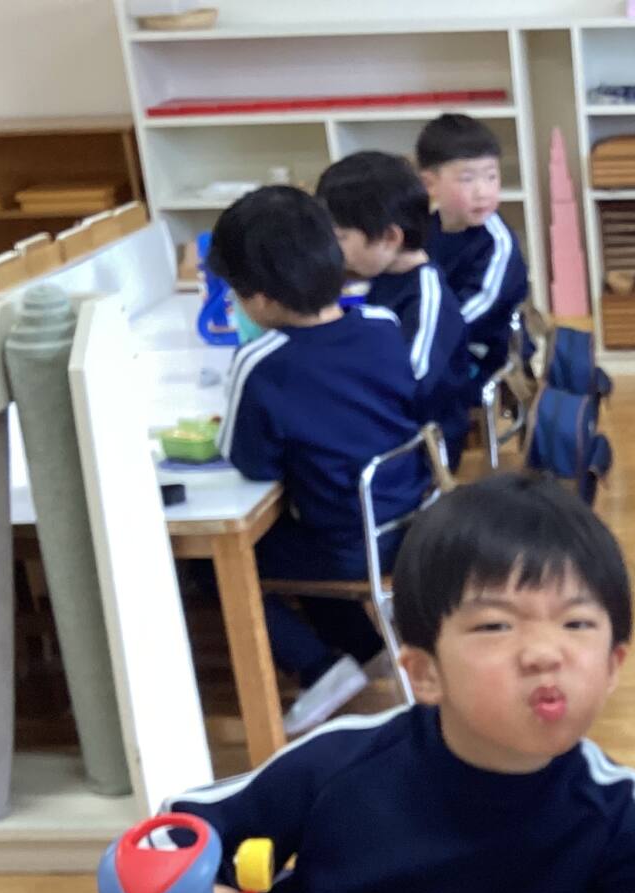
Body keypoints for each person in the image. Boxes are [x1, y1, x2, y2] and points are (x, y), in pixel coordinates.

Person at [169, 475, 635, 893]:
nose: (545, 653)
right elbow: (173, 835)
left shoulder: (609, 806)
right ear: (424, 673)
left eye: (576, 623)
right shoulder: (341, 761)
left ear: (614, 666)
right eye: (495, 625)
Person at [207, 185, 427, 736]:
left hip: (346, 544)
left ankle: (318, 668)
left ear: (258, 298)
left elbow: (252, 463)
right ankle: (366, 648)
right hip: (409, 521)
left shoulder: (261, 361)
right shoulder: (381, 324)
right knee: (310, 524)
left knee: (212, 562)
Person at [318, 150, 472, 465]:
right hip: (384, 426)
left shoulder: (428, 296)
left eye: (341, 238)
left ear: (390, 237)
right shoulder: (382, 276)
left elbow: (413, 380)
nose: (333, 250)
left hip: (420, 448)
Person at [417, 112, 529, 406]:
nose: (483, 192)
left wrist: (423, 331)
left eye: (491, 176)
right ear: (430, 183)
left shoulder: (497, 241)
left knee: (418, 386)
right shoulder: (425, 228)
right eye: (467, 179)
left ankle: (444, 437)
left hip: (486, 350)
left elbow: (477, 307)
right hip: (442, 337)